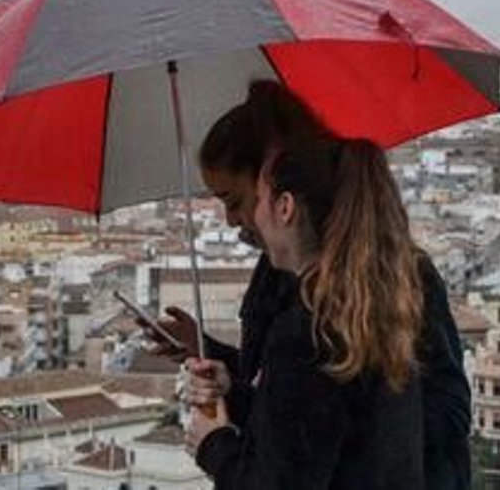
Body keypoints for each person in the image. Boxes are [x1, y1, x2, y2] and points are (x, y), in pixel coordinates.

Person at [141, 80, 472, 488]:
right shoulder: (292, 284)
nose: (233, 220)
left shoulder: (361, 296)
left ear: (284, 202)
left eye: (240, 200)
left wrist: (216, 446)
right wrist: (218, 365)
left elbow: (315, 416)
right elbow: (300, 409)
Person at [184, 138, 425, 488]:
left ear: (285, 207)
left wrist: (213, 446)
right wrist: (233, 391)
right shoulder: (372, 308)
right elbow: (314, 435)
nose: (254, 215)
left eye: (260, 197)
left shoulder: (305, 333)